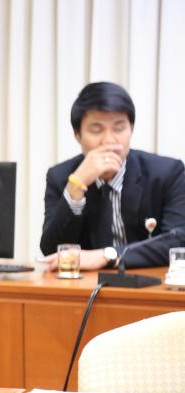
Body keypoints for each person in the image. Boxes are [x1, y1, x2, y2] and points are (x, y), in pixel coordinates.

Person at [40, 81, 185, 270]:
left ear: (131, 129)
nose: (109, 140)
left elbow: (178, 240)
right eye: (96, 130)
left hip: (150, 282)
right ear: (77, 134)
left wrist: (107, 255)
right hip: (86, 285)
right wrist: (76, 187)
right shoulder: (61, 177)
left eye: (119, 128)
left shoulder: (167, 173)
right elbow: (52, 251)